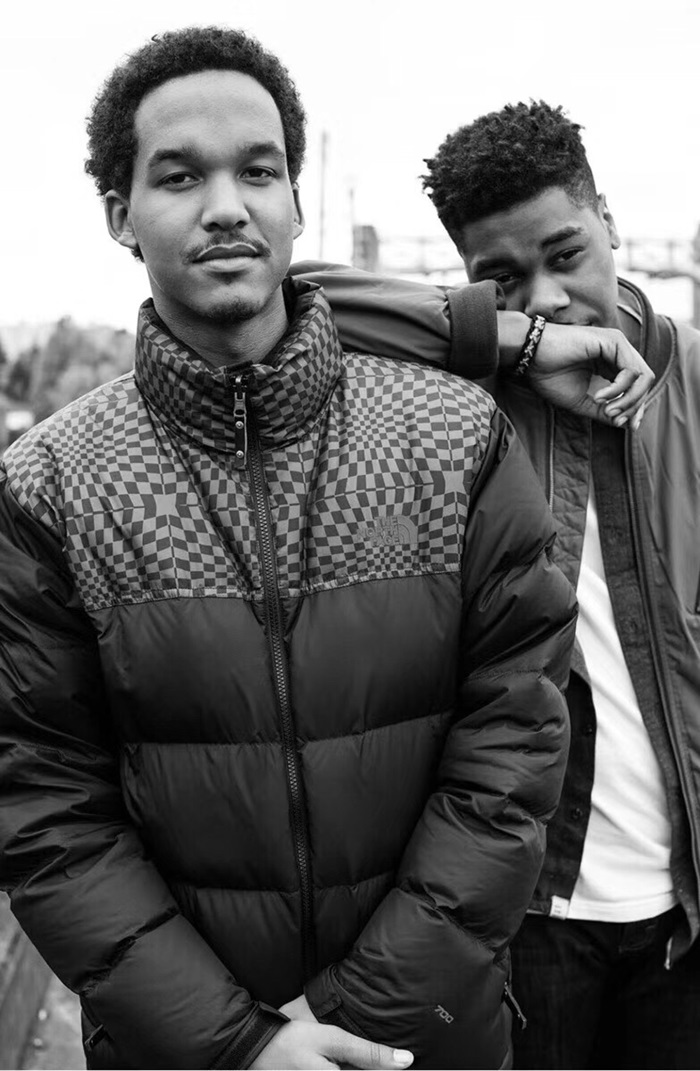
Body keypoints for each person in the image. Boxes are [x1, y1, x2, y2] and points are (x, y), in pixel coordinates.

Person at [0, 29, 585, 1071]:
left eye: (259, 171)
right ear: (119, 215)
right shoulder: (53, 484)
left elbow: (514, 744)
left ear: (295, 204)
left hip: (427, 1038)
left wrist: (358, 1013)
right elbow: (46, 806)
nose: (227, 205)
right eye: (180, 176)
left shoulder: (452, 438)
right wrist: (242, 1047)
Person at [303, 100, 700, 1070]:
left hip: (685, 915)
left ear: (608, 220)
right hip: (527, 917)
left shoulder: (690, 381)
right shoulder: (461, 398)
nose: (548, 297)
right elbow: (291, 296)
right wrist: (514, 342)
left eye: (566, 254)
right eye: (505, 280)